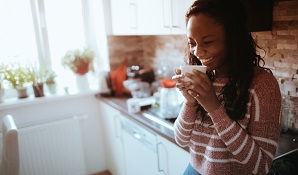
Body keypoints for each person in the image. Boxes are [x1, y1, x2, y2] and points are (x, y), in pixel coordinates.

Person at [172, 0, 282, 174]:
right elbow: (181, 139)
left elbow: (261, 166)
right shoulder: (202, 76)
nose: (198, 52)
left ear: (233, 38)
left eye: (207, 42)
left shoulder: (262, 85)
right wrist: (190, 103)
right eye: (192, 43)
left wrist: (214, 107)